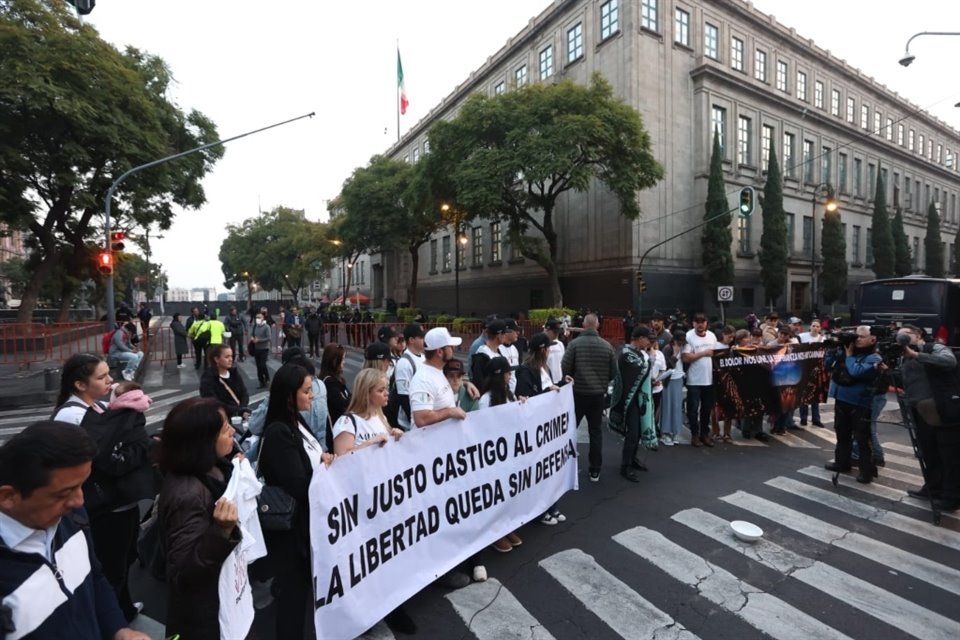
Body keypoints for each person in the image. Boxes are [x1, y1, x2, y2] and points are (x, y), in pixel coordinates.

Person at [0, 422, 150, 640]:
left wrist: (119, 629)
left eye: (82, 485)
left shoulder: (73, 519)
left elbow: (94, 579)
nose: (79, 500)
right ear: (8, 497)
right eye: (63, 493)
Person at [155, 398, 243, 640]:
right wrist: (222, 531)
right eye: (226, 429)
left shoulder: (211, 468)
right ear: (203, 441)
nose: (233, 431)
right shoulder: (187, 494)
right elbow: (184, 572)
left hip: (226, 598)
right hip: (204, 620)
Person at [258, 364, 334, 640]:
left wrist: (324, 459)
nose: (312, 396)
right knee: (292, 598)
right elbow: (300, 485)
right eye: (305, 390)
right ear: (289, 395)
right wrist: (323, 469)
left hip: (306, 526)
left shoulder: (296, 422)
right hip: (291, 532)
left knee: (301, 595)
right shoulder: (279, 432)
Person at [409, 327, 472, 589]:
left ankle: (447, 563)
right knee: (435, 516)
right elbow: (421, 418)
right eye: (449, 346)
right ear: (439, 351)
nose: (453, 350)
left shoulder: (436, 374)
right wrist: (449, 412)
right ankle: (439, 570)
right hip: (428, 458)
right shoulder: (423, 378)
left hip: (442, 456)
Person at [896, 325, 960, 511]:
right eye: (899, 337)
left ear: (918, 335)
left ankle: (952, 498)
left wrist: (916, 355)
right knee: (929, 452)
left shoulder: (934, 348)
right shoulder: (904, 357)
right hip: (921, 411)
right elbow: (906, 382)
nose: (902, 339)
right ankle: (933, 488)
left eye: (906, 335)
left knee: (950, 457)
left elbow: (949, 362)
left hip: (944, 409)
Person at [515, 332, 570, 525]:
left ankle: (551, 506)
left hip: (548, 426)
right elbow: (525, 396)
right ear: (542, 350)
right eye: (548, 347)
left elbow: (548, 388)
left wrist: (562, 384)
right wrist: (548, 391)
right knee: (540, 471)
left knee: (550, 469)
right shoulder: (525, 370)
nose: (550, 351)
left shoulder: (543, 367)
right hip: (535, 428)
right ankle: (541, 510)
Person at [561, 313, 617, 482]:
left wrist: (572, 377)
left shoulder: (574, 344)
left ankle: (564, 465)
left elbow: (565, 366)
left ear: (584, 325)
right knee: (595, 432)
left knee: (570, 430)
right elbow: (613, 372)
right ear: (597, 326)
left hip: (578, 393)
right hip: (598, 395)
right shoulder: (607, 346)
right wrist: (601, 382)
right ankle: (595, 469)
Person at [824, 326, 882, 483]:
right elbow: (828, 367)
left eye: (862, 337)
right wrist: (832, 351)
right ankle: (842, 463)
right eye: (856, 337)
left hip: (861, 403)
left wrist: (849, 356)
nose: (857, 340)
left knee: (862, 438)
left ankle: (866, 471)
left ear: (873, 339)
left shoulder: (874, 358)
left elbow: (856, 371)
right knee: (842, 435)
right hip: (842, 400)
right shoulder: (846, 352)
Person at [610, 326, 655, 483]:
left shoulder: (638, 353)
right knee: (633, 433)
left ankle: (632, 458)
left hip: (638, 399)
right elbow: (642, 369)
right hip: (628, 400)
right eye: (648, 338)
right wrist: (651, 358)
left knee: (637, 432)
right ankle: (625, 465)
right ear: (639, 338)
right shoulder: (626, 354)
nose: (649, 342)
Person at [332, 368, 404, 454]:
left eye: (386, 389)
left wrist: (395, 438)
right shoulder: (347, 423)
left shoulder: (382, 418)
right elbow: (341, 460)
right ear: (366, 394)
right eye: (381, 390)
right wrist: (369, 443)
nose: (387, 393)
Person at [682, 312, 718, 448]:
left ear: (706, 323)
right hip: (694, 380)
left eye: (702, 322)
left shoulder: (712, 336)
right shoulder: (689, 337)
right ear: (693, 324)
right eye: (697, 322)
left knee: (707, 409)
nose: (700, 324)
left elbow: (715, 354)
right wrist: (703, 353)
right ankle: (694, 435)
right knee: (693, 409)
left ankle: (704, 433)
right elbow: (686, 357)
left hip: (709, 379)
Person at [53, 353, 113, 425]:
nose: (110, 380)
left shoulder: (98, 405)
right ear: (81, 385)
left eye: (108, 374)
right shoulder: (72, 415)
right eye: (101, 378)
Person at [200, 344, 250, 420]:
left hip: (239, 416)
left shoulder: (234, 373)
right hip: (221, 419)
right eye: (227, 357)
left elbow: (244, 393)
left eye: (231, 356)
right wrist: (239, 410)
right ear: (216, 359)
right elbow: (213, 402)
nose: (231, 359)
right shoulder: (208, 378)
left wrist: (242, 409)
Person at [659, 330, 686, 446]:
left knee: (676, 406)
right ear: (674, 340)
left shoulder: (684, 347)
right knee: (667, 406)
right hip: (668, 380)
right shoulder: (667, 349)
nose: (681, 343)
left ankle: (675, 432)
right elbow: (667, 365)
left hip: (679, 378)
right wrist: (675, 354)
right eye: (679, 341)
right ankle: (665, 432)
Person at [798, 318, 826, 427]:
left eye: (817, 326)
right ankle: (803, 418)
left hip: (817, 369)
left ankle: (816, 419)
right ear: (810, 326)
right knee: (804, 394)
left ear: (820, 328)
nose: (815, 328)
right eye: (813, 326)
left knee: (815, 394)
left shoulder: (823, 339)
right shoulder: (802, 337)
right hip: (804, 368)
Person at [321, 343, 352, 427]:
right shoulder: (329, 382)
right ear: (334, 361)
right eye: (342, 359)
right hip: (336, 426)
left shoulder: (337, 379)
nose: (344, 362)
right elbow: (343, 404)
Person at [251, 311, 272, 388]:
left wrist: (259, 340)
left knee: (262, 365)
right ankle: (261, 381)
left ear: (263, 318)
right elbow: (252, 334)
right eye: (256, 317)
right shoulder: (255, 326)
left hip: (264, 348)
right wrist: (252, 338)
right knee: (258, 366)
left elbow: (269, 338)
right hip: (257, 348)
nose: (257, 319)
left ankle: (267, 378)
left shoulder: (266, 327)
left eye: (259, 317)